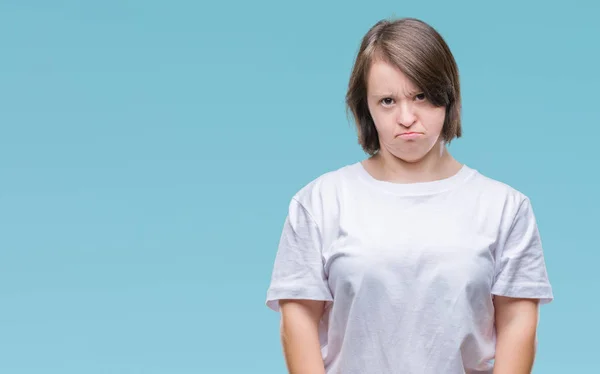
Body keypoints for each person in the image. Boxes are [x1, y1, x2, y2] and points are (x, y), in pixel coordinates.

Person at [265, 17, 553, 374]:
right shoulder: (318, 203)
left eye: (421, 96)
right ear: (365, 108)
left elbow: (518, 326)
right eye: (387, 100)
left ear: (447, 96)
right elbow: (298, 324)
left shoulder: (506, 208)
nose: (406, 117)